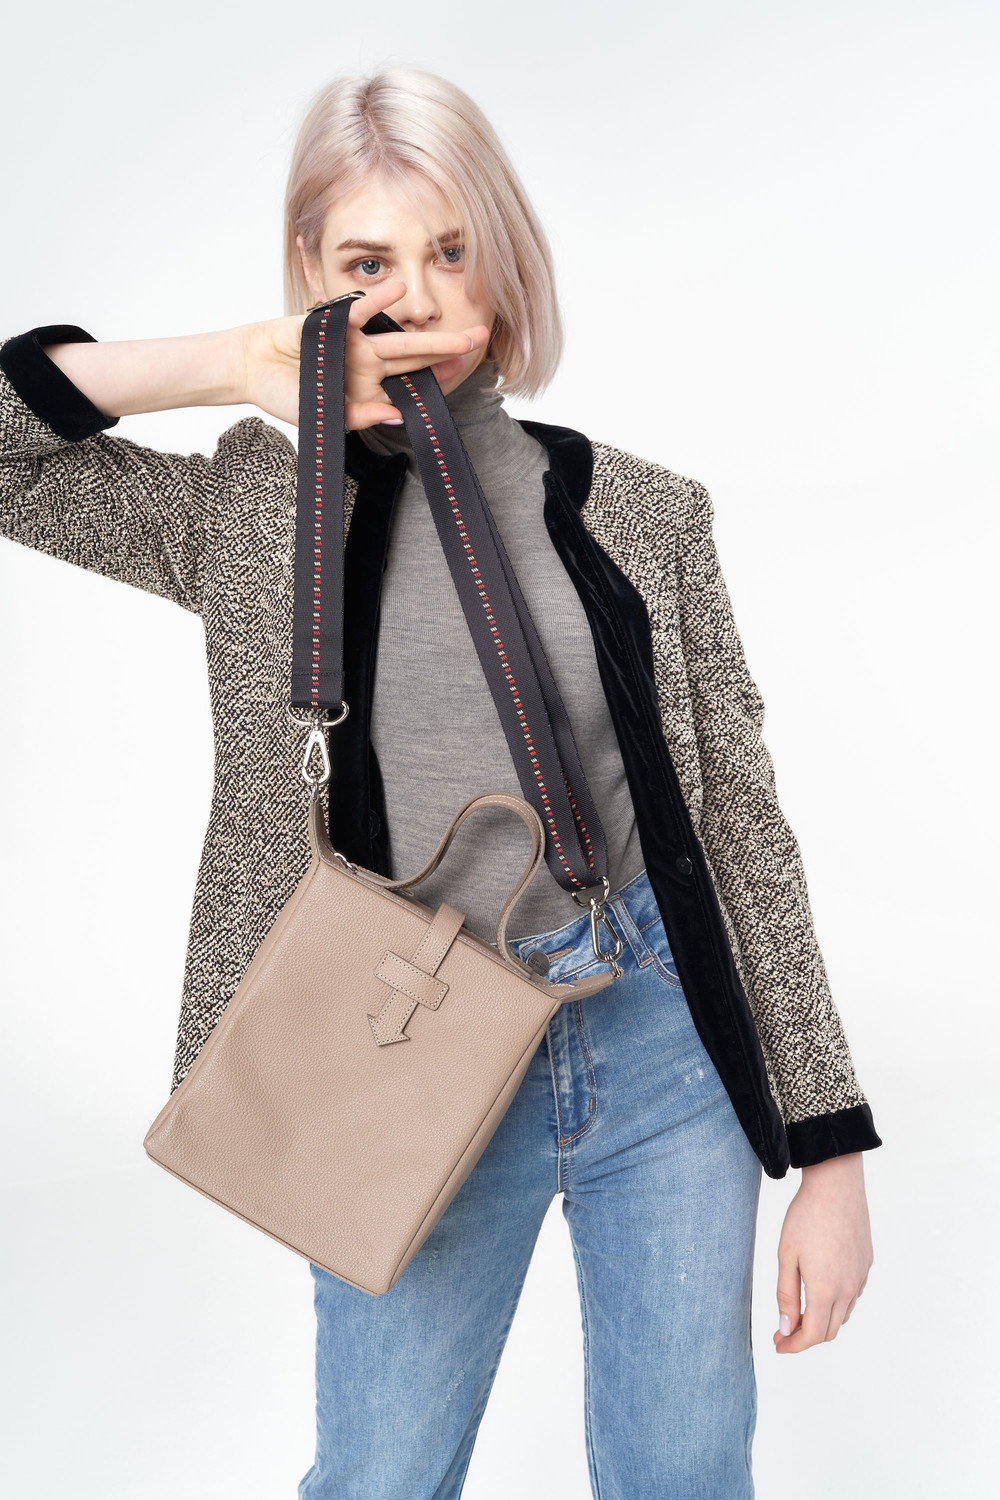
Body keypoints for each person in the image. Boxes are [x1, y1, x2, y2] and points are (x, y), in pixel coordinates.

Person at [0, 66, 881, 1500]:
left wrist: (829, 1151)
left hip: (657, 1035)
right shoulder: (252, 508)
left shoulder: (643, 513)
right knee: (382, 1473)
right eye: (368, 262)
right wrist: (242, 363)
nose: (413, 295)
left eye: (450, 250)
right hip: (396, 1053)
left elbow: (742, 830)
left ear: (502, 259)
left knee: (685, 1472)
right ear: (311, 271)